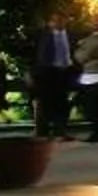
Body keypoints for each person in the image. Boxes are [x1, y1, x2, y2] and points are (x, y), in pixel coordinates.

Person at [31, 12, 75, 140]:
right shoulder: (44, 36)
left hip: (65, 72)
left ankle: (60, 131)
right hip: (48, 72)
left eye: (61, 20)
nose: (58, 23)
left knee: (62, 103)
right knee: (46, 102)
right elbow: (37, 55)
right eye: (55, 21)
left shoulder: (72, 35)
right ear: (50, 22)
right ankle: (43, 132)